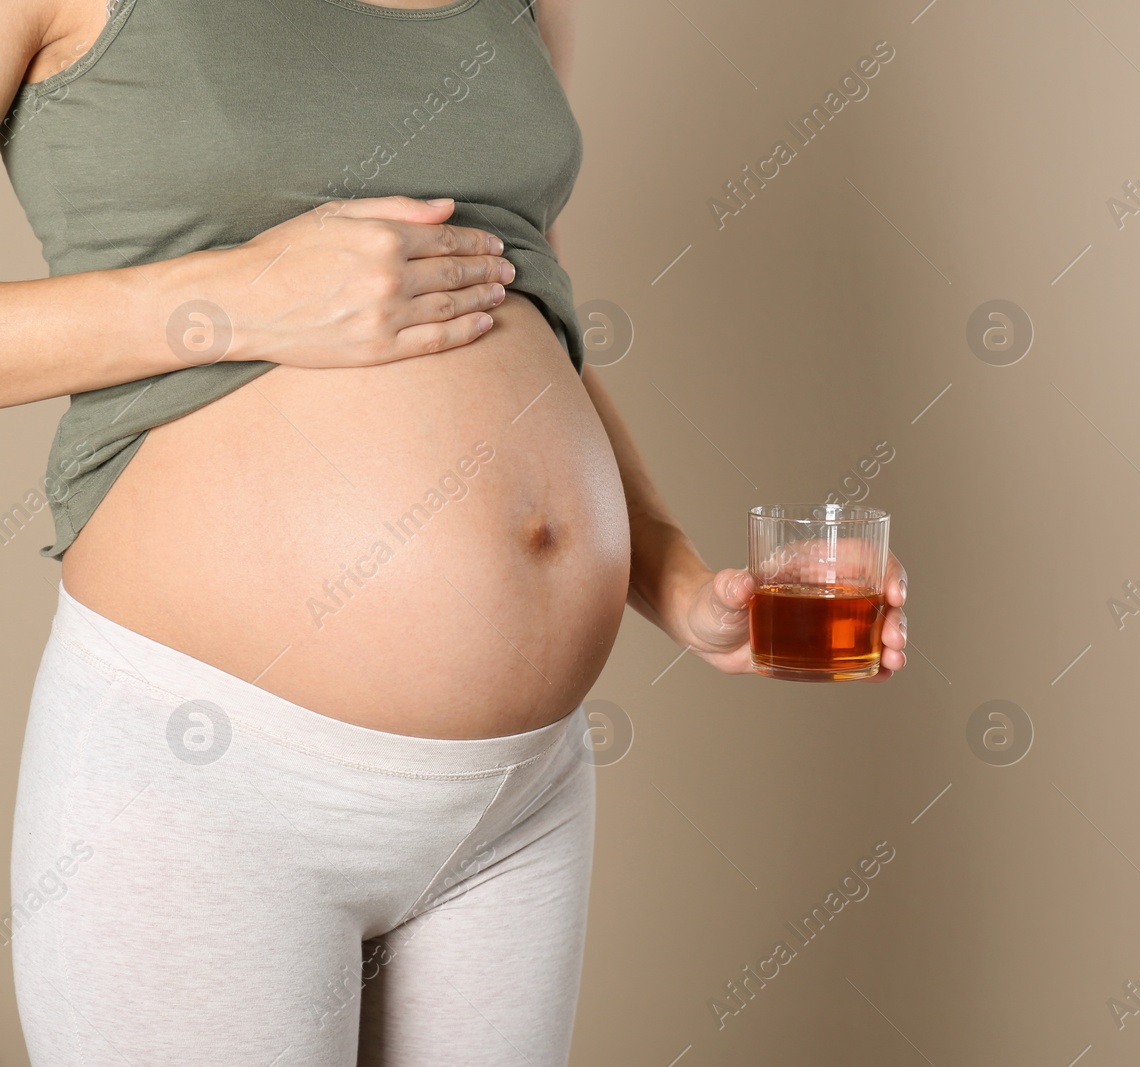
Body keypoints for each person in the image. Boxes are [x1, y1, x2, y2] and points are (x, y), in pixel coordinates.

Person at [0, 0, 908, 1062]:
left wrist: (676, 582)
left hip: (516, 801)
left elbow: (517, 303)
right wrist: (236, 298)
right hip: (209, 771)